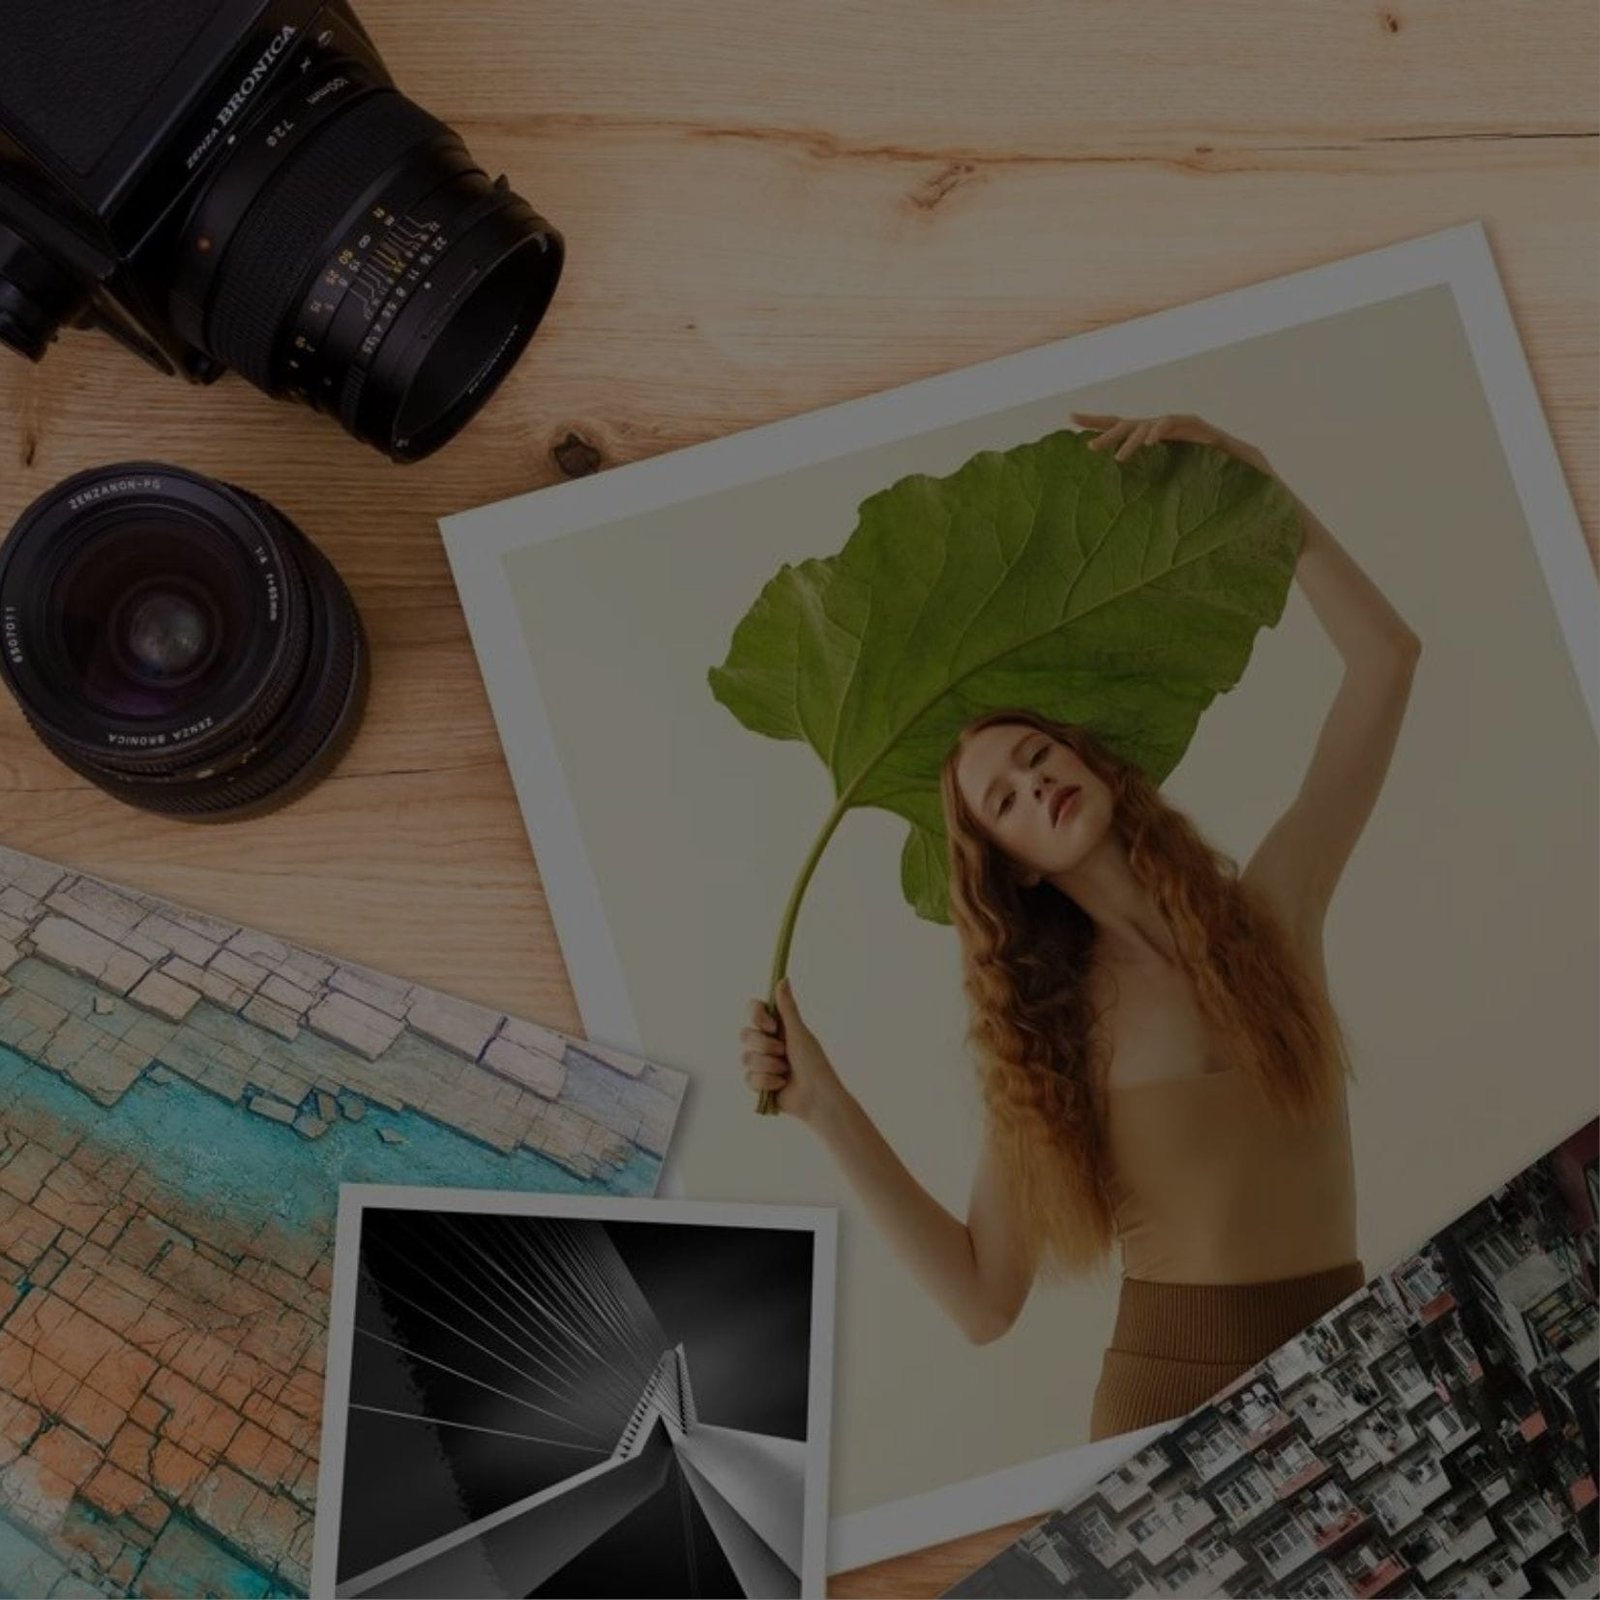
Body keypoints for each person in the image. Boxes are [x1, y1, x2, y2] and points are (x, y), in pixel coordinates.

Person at [739, 412, 1421, 1440]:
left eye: (1035, 757)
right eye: (1002, 800)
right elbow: (981, 1301)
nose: (1032, 783)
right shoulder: (1049, 1038)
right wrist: (824, 1103)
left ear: (1091, 760)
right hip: (1172, 1405)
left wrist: (1264, 485)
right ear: (1010, 864)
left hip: (1354, 1368)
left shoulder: (1272, 914)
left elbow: (1384, 663)